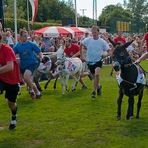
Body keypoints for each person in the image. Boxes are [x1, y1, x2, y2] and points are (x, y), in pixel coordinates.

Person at [80, 25, 110, 98]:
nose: (94, 34)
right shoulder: (88, 40)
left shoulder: (102, 41)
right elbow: (80, 44)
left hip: (98, 61)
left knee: (97, 75)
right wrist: (81, 55)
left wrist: (104, 55)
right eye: (93, 32)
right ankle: (99, 86)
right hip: (90, 61)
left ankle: (94, 91)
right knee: (94, 78)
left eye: (95, 32)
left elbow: (109, 51)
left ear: (98, 32)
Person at [13, 29, 43, 99]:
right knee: (27, 80)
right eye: (24, 36)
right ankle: (35, 91)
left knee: (26, 77)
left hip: (32, 63)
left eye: (26, 36)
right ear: (20, 37)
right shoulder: (17, 46)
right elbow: (12, 53)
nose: (26, 37)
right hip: (23, 65)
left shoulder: (31, 44)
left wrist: (41, 57)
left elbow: (39, 51)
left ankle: (36, 91)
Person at [0, 33, 20, 130]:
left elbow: (10, 67)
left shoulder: (7, 49)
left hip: (12, 80)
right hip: (1, 78)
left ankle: (14, 116)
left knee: (11, 104)